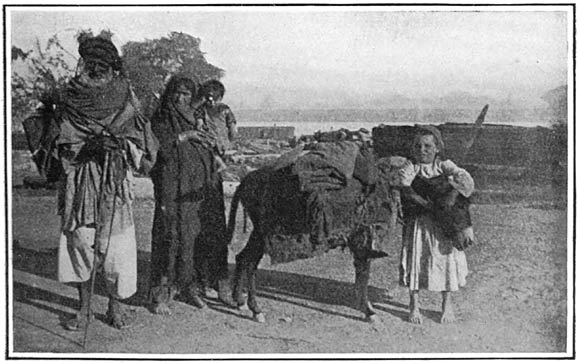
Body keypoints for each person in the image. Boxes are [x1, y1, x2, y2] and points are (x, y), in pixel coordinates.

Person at [39, 31, 158, 330]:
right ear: (82, 63)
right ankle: (84, 309)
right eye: (91, 61)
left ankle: (115, 307)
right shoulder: (68, 98)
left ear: (112, 66)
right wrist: (87, 147)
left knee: (117, 248)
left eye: (103, 62)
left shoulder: (125, 98)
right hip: (79, 181)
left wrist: (121, 146)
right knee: (79, 242)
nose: (96, 67)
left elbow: (140, 140)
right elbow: (58, 142)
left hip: (115, 182)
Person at [148, 75, 233, 315]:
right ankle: (163, 292)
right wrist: (186, 136)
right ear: (169, 93)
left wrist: (213, 153)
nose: (180, 98)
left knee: (197, 234)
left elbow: (214, 142)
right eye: (176, 92)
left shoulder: (199, 115)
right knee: (171, 233)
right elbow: (157, 146)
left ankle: (192, 286)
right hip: (174, 186)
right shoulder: (162, 115)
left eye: (186, 94)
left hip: (199, 186)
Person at [398, 125, 474, 324]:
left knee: (445, 260)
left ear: (437, 148)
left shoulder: (444, 166)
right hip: (420, 222)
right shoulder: (410, 167)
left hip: (443, 224)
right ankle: (414, 304)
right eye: (418, 146)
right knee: (417, 259)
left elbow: (465, 181)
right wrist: (428, 205)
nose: (422, 150)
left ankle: (446, 305)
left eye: (427, 146)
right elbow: (405, 190)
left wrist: (452, 192)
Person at [197, 79, 238, 173]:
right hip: (220, 139)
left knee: (210, 151)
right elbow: (232, 124)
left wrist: (200, 129)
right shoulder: (224, 108)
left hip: (213, 138)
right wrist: (232, 138)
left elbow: (199, 124)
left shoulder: (203, 109)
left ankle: (221, 165)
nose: (211, 102)